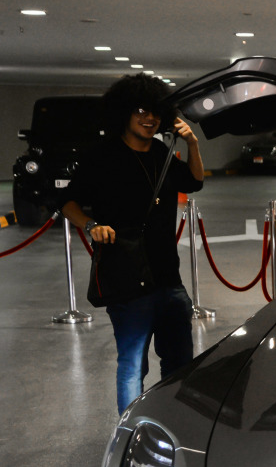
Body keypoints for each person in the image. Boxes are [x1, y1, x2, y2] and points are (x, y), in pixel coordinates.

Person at [61, 73, 205, 413]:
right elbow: (68, 202)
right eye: (140, 110)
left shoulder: (162, 153)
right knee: (132, 366)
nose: (149, 118)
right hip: (126, 280)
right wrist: (92, 224)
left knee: (180, 365)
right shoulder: (102, 156)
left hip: (169, 278)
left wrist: (193, 145)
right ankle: (129, 431)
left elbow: (195, 183)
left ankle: (173, 424)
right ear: (123, 112)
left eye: (155, 111)